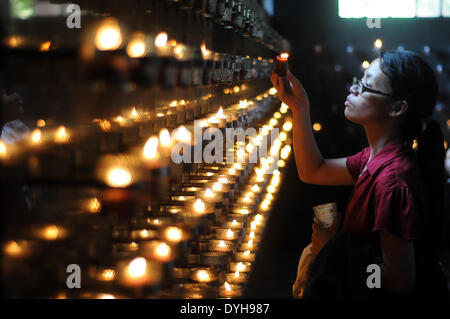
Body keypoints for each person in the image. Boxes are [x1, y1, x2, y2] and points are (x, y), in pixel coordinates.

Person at [271, 50, 448, 299]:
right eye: (359, 80)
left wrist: (333, 253)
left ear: (397, 107)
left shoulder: (392, 182)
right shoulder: (374, 158)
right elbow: (314, 170)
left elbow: (398, 281)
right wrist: (300, 107)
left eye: (367, 86)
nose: (354, 89)